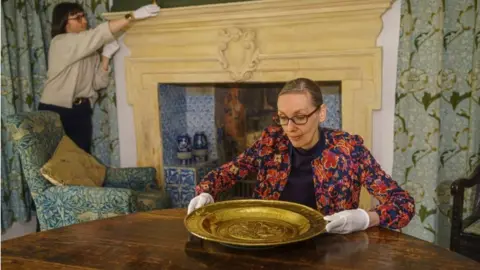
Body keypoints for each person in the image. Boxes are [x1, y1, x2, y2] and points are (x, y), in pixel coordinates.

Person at [187, 78, 415, 234]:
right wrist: (206, 191)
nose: (289, 127)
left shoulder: (349, 149)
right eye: (283, 117)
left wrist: (365, 218)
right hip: (268, 242)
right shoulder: (271, 141)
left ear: (321, 113)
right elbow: (228, 172)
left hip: (330, 251)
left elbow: (403, 205)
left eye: (300, 117)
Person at [38, 2, 160, 153]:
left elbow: (98, 83)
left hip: (80, 111)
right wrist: (131, 16)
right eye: (77, 18)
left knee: (81, 160)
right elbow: (97, 35)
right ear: (64, 22)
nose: (84, 21)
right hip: (55, 111)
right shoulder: (60, 42)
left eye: (83, 16)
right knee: (56, 164)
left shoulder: (89, 51)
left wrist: (105, 57)